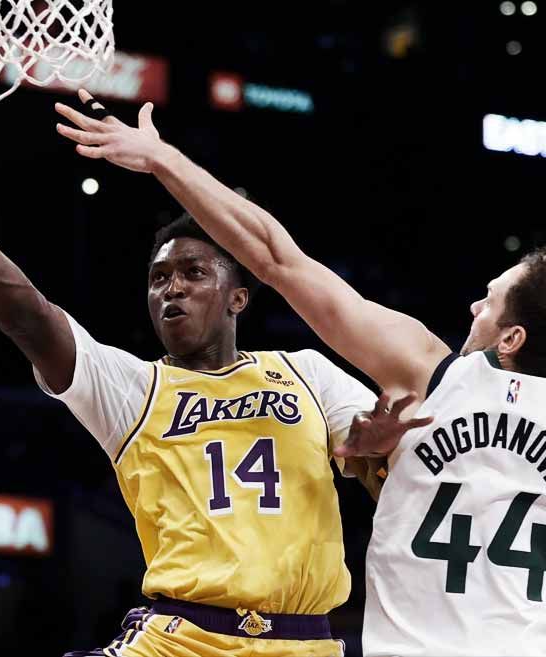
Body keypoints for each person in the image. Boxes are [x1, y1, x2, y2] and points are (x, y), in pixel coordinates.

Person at [56, 90, 546, 656]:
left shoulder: (433, 372)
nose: (473, 307)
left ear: (511, 338)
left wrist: (163, 159)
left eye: (488, 302)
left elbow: (276, 258)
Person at [0, 193, 426, 656]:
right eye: (158, 278)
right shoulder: (133, 388)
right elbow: (26, 314)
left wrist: (374, 451)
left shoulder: (306, 372)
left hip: (304, 641)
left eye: (193, 272)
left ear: (238, 298)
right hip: (181, 638)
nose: (171, 288)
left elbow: (379, 472)